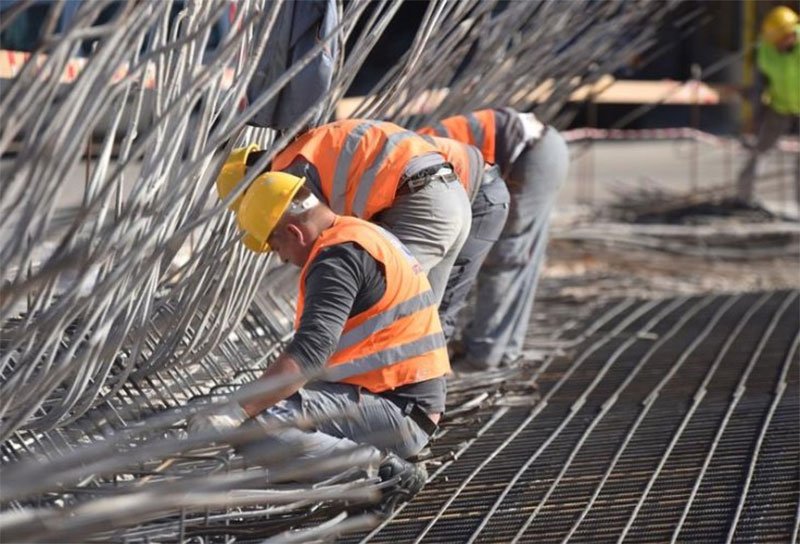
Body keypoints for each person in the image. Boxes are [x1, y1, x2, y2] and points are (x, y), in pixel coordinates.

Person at [190, 171, 450, 511]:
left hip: (399, 414)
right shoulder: (359, 233)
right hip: (407, 403)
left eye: (276, 245)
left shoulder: (336, 259)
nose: (281, 258)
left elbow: (310, 353)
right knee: (269, 418)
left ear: (294, 232)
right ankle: (350, 466)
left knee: (256, 427)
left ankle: (380, 474)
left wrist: (236, 409)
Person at [216, 119, 472, 303]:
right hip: (448, 194)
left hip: (420, 206)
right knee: (422, 319)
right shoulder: (311, 145)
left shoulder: (290, 177)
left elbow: (321, 238)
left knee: (381, 305)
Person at [419, 108, 568, 371]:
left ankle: (484, 355)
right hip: (542, 150)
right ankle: (503, 350)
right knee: (518, 261)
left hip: (534, 153)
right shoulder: (415, 150)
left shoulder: (419, 158)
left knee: (504, 258)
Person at [418, 134, 510, 341]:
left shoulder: (403, 151)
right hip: (465, 188)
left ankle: (433, 369)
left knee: (445, 294)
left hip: (483, 198)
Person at [737, 5, 800, 206]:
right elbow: (759, 83)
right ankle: (743, 198)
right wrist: (755, 115)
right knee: (761, 150)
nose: (778, 45)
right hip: (779, 106)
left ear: (791, 33)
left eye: (781, 40)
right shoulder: (766, 49)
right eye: (774, 41)